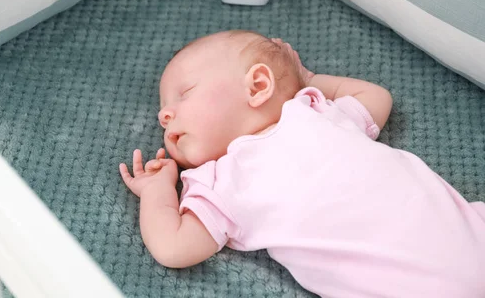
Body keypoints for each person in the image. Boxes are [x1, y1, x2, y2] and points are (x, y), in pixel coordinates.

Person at [119, 30, 485, 298]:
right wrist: (158, 191)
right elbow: (173, 247)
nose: (164, 115)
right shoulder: (220, 183)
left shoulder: (311, 111)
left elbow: (374, 98)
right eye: (163, 115)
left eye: (184, 94)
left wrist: (308, 81)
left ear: (258, 84)